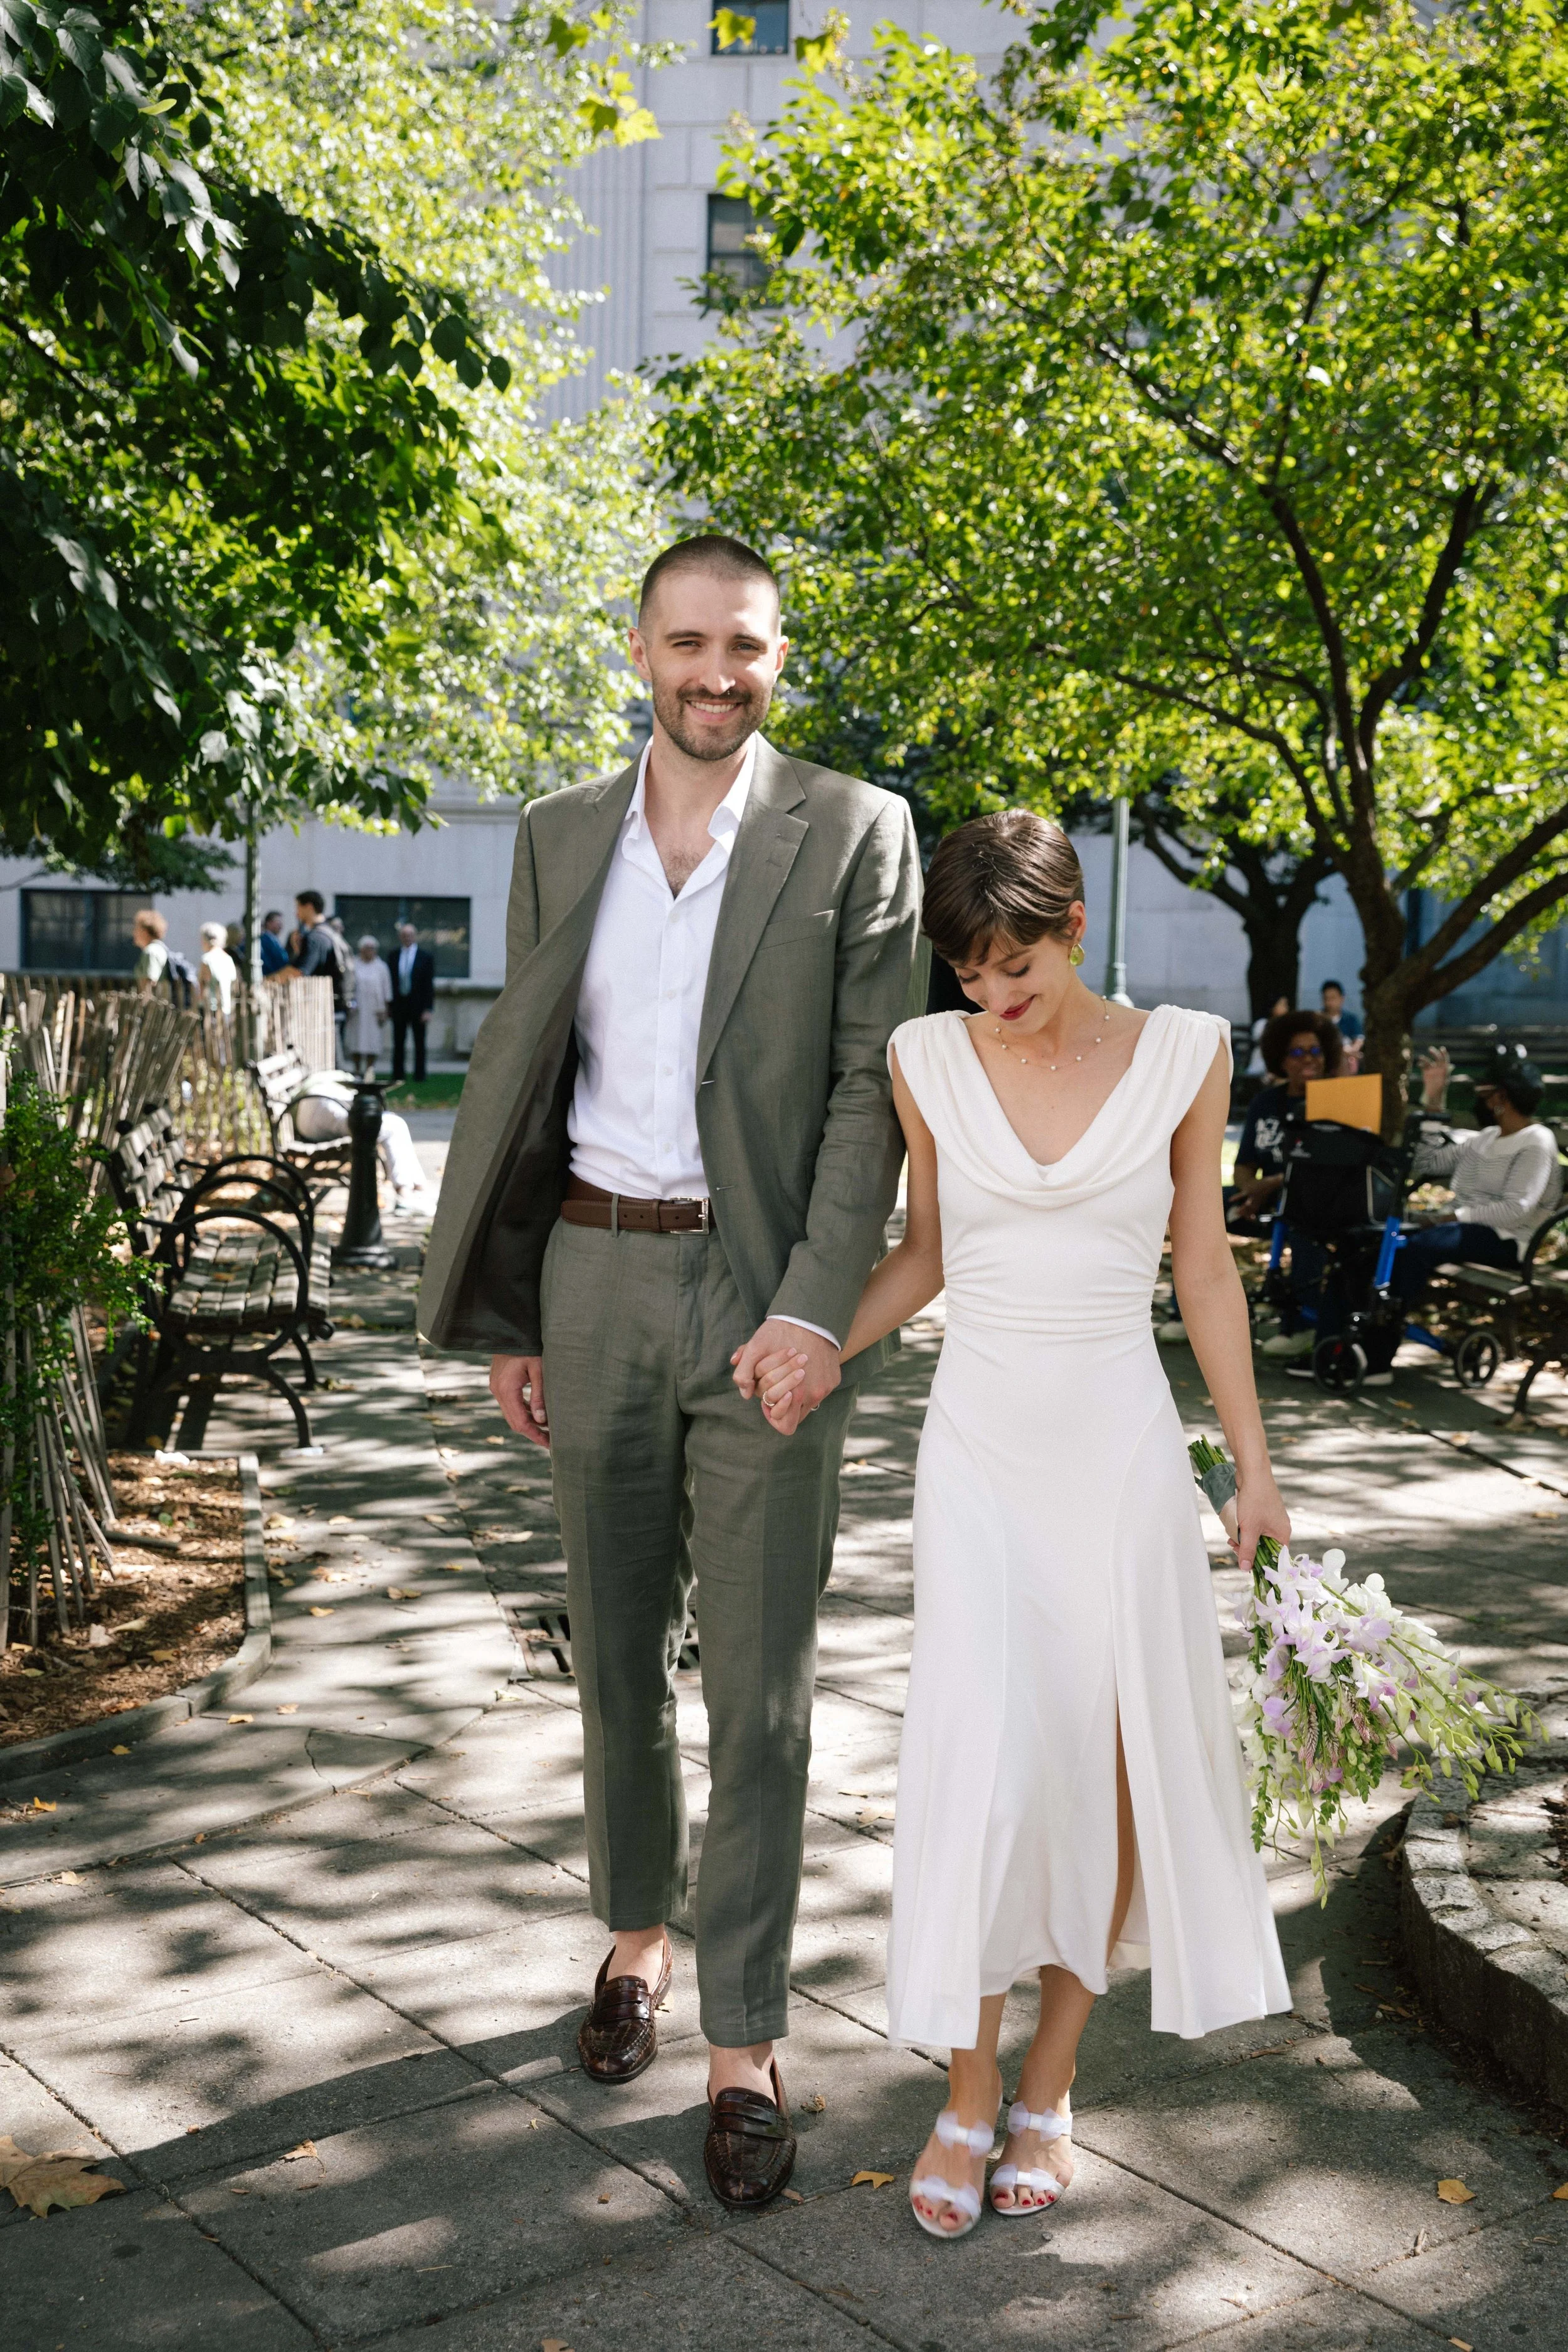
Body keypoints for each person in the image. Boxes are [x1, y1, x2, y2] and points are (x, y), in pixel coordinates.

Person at [418, 532, 924, 2213]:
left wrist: (809, 1308)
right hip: (592, 1265)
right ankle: (634, 1930)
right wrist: (518, 1311)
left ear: (780, 658)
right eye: (688, 642)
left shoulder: (856, 831)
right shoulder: (560, 834)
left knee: (763, 1681)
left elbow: (867, 1095)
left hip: (763, 1291)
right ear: (638, 648)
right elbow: (524, 1071)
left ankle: (747, 2036)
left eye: (748, 647)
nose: (718, 672)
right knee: (610, 1644)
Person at [753, 811, 1290, 2241]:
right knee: (986, 1765)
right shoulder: (929, 1061)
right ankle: (969, 2085)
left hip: (1116, 1442)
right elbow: (923, 1252)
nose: (992, 995)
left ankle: (1052, 2075)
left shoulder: (1186, 1049)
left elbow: (1205, 1267)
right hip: (980, 1450)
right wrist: (817, 1342)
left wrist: (1253, 1466)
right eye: (968, 971)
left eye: (1015, 965)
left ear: (1071, 930)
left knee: (1105, 1766)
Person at [1292, 1040, 1564, 1385]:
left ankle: (1375, 1360)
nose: (1479, 1101)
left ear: (1500, 1099)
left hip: (1509, 1240)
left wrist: (1450, 1218)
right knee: (1360, 1247)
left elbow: (1517, 1207)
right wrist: (1435, 1099)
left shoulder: (1536, 1142)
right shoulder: (1486, 1137)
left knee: (1411, 1251)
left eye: (1483, 1095)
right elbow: (1426, 1161)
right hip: (1460, 1230)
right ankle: (1329, 1349)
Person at [1158, 1007, 1340, 1351]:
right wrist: (1249, 1192)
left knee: (1306, 1229)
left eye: (1315, 1050)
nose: (1308, 1060)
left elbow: (1327, 1170)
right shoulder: (1265, 1103)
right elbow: (1244, 1165)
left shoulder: (1336, 1102)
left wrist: (1268, 1185)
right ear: (1280, 1060)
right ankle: (1185, 1315)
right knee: (1195, 1208)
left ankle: (1300, 1326)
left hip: (1315, 1204)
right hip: (1262, 1200)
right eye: (1297, 1052)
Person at [287, 1069, 432, 1212]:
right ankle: (407, 1191)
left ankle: (417, 1187)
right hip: (321, 1111)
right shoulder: (338, 1083)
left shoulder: (325, 1079)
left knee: (393, 1124)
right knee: (393, 1125)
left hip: (309, 1114)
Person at [390, 921, 435, 1082]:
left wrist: (428, 1009)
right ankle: (398, 1075)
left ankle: (420, 1076)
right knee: (398, 1043)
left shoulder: (425, 957)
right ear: (400, 937)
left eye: (410, 935)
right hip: (399, 1006)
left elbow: (429, 985)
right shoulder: (394, 956)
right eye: (404, 935)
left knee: (419, 1043)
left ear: (415, 937)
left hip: (419, 1007)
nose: (407, 938)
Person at [344, 935, 393, 1077]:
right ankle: (357, 1069)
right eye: (367, 949)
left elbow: (387, 989)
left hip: (375, 1010)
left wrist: (385, 1010)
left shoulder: (381, 967)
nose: (370, 951)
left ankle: (370, 1069)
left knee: (373, 1041)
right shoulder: (354, 964)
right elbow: (349, 986)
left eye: (372, 949)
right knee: (356, 1040)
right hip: (357, 1010)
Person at [1244, 993, 1290, 1078]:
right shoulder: (1262, 1024)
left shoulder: (1287, 1025)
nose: (1286, 1008)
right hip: (1261, 1062)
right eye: (1283, 1005)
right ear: (1273, 1007)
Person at [198, 921, 237, 1017]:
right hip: (227, 1008)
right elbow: (234, 982)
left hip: (211, 1008)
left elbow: (202, 985)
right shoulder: (228, 959)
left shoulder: (207, 959)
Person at [131, 908, 169, 995]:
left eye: (136, 929)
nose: (133, 933)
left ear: (145, 931)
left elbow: (150, 984)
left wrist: (144, 1006)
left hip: (154, 1007)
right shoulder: (160, 948)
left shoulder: (150, 952)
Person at [259, 909, 289, 978]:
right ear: (269, 923)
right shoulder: (265, 940)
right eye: (278, 922)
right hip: (271, 977)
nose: (281, 925)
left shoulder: (274, 940)